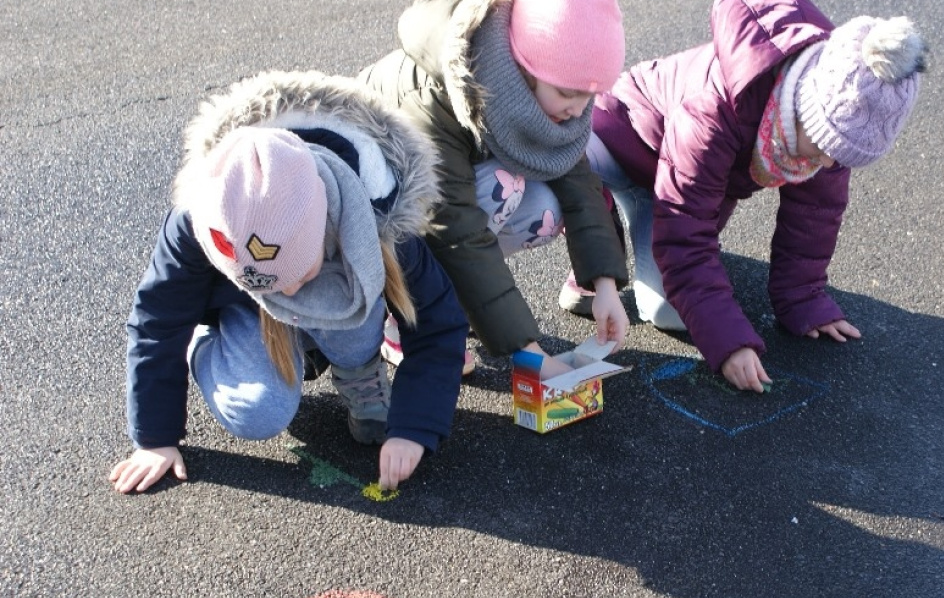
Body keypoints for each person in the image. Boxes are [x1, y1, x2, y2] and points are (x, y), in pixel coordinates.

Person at [110, 71, 469, 494]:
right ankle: (209, 342)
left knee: (356, 322)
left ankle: (358, 369)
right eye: (277, 285)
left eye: (301, 274)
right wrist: (155, 438)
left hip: (339, 295)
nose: (292, 293)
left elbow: (439, 322)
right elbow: (157, 321)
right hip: (246, 310)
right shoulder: (198, 218)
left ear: (328, 228)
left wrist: (415, 428)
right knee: (257, 411)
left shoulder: (378, 213)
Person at [588, 0, 928, 392]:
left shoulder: (829, 135)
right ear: (803, 106)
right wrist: (728, 345)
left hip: (679, 186)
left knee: (668, 312)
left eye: (841, 154)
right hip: (624, 140)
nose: (828, 161)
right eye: (821, 147)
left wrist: (803, 299)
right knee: (574, 175)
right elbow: (685, 235)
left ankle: (634, 229)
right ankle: (599, 234)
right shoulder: (714, 109)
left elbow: (815, 216)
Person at [359, 0, 631, 379]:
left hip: (451, 193)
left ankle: (458, 302)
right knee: (503, 187)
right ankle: (408, 317)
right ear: (524, 66)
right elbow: (456, 231)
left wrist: (605, 284)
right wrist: (528, 353)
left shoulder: (540, 84)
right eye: (568, 95)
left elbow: (575, 176)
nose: (577, 110)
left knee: (545, 207)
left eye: (590, 96)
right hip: (381, 220)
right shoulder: (432, 95)